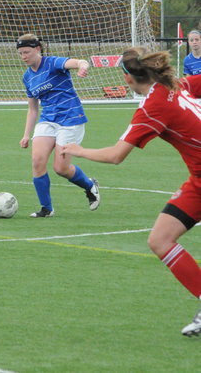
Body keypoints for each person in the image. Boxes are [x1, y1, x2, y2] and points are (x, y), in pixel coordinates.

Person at [61, 47, 201, 337]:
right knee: (160, 239)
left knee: (161, 240)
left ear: (127, 78)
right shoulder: (175, 84)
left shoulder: (153, 108)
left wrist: (78, 150)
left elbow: (116, 155)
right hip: (198, 181)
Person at [17, 33, 100, 217]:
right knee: (37, 161)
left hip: (71, 118)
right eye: (21, 53)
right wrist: (26, 134)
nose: (24, 56)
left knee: (61, 168)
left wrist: (83, 66)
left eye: (27, 52)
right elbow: (32, 109)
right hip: (48, 119)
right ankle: (46, 209)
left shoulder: (53, 63)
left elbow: (78, 62)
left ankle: (90, 185)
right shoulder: (27, 77)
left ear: (38, 49)